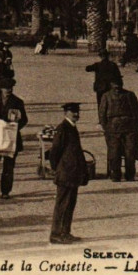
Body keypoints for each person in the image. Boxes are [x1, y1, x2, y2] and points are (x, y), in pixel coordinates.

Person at [0, 78, 28, 199]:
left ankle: (5, 191)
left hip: (11, 139)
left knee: (8, 167)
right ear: (1, 89)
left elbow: (24, 120)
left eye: (10, 88)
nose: (8, 90)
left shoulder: (17, 102)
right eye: (6, 88)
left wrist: (14, 127)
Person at [49, 102, 88, 244]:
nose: (76, 114)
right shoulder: (63, 128)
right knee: (62, 204)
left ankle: (65, 232)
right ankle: (56, 234)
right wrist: (57, 169)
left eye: (77, 112)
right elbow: (54, 152)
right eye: (73, 112)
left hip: (72, 173)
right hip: (65, 173)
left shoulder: (72, 127)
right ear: (66, 113)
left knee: (70, 204)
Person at [98, 77, 138, 182]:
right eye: (114, 85)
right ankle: (115, 174)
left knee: (131, 151)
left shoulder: (129, 95)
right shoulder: (106, 96)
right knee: (114, 152)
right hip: (113, 128)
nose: (117, 88)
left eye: (119, 85)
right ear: (111, 85)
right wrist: (105, 127)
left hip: (129, 128)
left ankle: (130, 174)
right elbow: (102, 113)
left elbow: (137, 110)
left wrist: (137, 125)